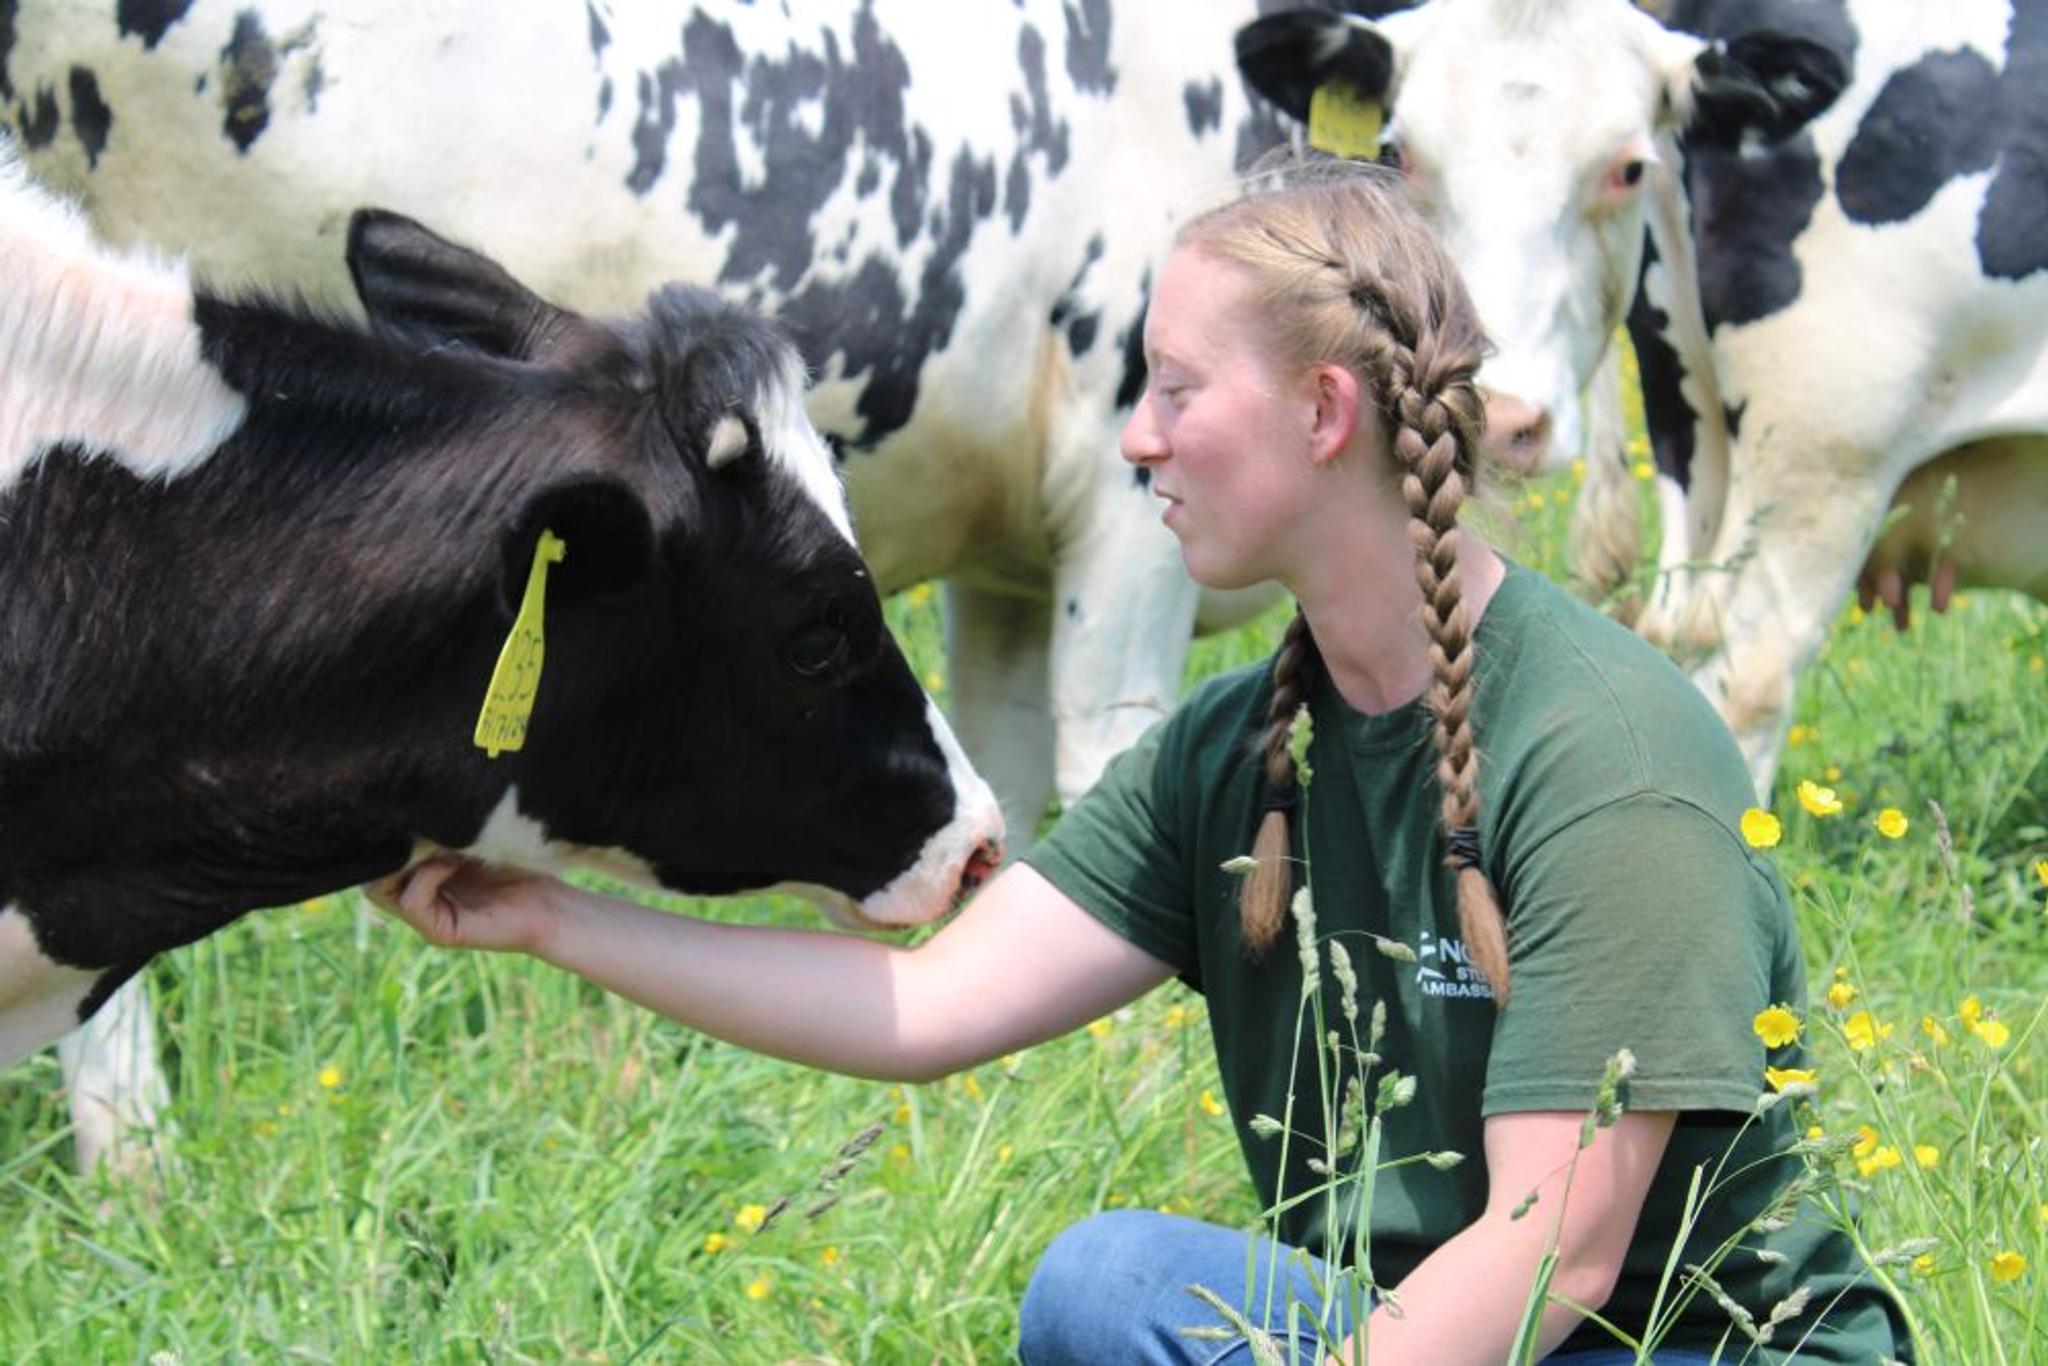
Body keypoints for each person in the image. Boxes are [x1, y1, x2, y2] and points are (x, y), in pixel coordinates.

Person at [373, 159, 1909, 1364]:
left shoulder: (1606, 754)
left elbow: (1554, 1249)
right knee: (1103, 1286)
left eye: (1178, 389)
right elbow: (926, 1000)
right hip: (1443, 1339)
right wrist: (553, 916)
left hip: (1690, 1349)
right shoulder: (1242, 753)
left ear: (1324, 412)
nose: (1135, 441)